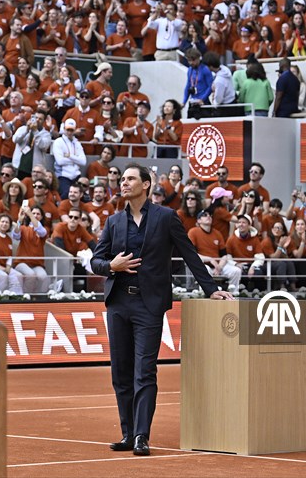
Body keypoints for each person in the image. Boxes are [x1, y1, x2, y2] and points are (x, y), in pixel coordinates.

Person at [90, 165, 233, 457]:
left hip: (148, 305)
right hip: (118, 304)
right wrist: (110, 266)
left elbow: (189, 253)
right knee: (121, 373)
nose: (123, 182)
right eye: (122, 179)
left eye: (129, 178)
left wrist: (210, 288)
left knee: (144, 371)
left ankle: (142, 435)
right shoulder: (114, 221)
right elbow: (96, 260)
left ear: (145, 184)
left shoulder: (167, 218)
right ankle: (128, 433)